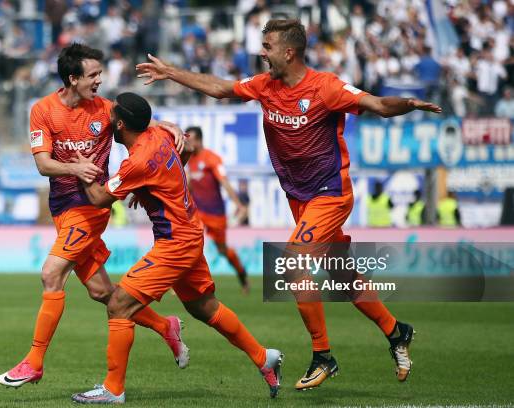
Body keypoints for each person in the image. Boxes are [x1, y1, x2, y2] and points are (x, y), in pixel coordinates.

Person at [137, 19, 442, 390]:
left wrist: (407, 104)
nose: (261, 53)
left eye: (267, 47)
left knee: (295, 265)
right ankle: (397, 331)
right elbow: (219, 89)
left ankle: (323, 356)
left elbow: (376, 103)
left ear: (288, 52)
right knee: (342, 275)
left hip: (330, 194)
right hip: (299, 198)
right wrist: (171, 72)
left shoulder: (326, 87)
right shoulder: (265, 86)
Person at [0, 44, 188, 389]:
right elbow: (43, 165)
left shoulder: (104, 109)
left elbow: (138, 121)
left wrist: (164, 124)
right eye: (93, 75)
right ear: (73, 78)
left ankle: (34, 361)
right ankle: (165, 326)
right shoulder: (43, 110)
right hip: (62, 208)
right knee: (103, 293)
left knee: (51, 274)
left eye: (101, 73)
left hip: (90, 209)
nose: (100, 80)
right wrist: (75, 166)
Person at [71, 93, 283, 404]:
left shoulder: (138, 159)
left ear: (120, 124)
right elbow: (178, 155)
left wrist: (81, 171)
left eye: (110, 118)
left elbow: (100, 198)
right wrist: (148, 186)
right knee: (203, 307)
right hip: (190, 232)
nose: (106, 122)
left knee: (118, 304)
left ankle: (113, 389)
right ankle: (264, 357)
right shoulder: (161, 133)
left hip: (175, 244)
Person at [185, 126, 250, 293]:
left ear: (198, 140)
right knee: (188, 242)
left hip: (216, 213)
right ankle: (183, 281)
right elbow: (190, 185)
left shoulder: (212, 159)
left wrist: (239, 204)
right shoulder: (189, 160)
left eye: (190, 139)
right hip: (198, 212)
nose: (187, 142)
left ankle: (241, 274)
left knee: (222, 250)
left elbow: (224, 182)